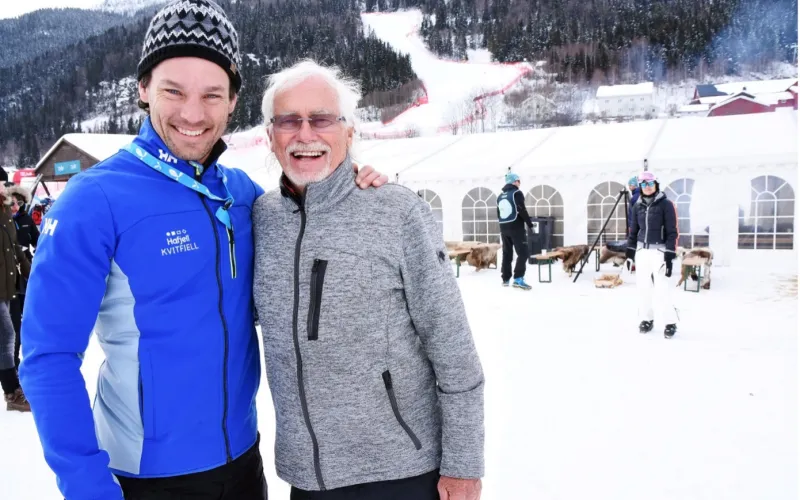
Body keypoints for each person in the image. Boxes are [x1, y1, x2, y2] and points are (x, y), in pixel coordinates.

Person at [19, 2, 385, 499]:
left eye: (212, 94)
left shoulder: (243, 194)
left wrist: (360, 184)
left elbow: (311, 230)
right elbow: (49, 357)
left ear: (233, 101)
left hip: (242, 466)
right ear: (144, 88)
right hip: (144, 478)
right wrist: (86, 485)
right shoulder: (95, 200)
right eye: (174, 91)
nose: (193, 114)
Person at [252, 59, 485, 500]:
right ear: (269, 135)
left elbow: (452, 347)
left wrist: (464, 464)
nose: (305, 135)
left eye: (322, 119)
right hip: (307, 478)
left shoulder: (396, 213)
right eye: (288, 121)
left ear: (349, 132)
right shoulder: (260, 219)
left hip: (401, 473)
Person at [625, 171, 679, 338]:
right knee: (643, 288)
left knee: (662, 289)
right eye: (643, 184)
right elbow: (633, 232)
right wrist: (630, 253)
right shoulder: (636, 206)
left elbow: (672, 232)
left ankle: (670, 322)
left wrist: (669, 255)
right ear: (639, 187)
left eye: (649, 184)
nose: (647, 187)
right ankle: (647, 319)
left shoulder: (666, 205)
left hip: (659, 251)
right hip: (642, 252)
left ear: (656, 184)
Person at [0, 184, 31, 411]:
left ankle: (14, 385)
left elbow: (14, 248)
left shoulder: (6, 212)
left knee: (10, 334)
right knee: (7, 336)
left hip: (8, 284)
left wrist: (29, 270)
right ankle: (12, 392)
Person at [7, 184, 38, 369]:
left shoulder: (27, 220)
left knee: (31, 319)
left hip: (27, 274)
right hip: (10, 277)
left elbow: (39, 241)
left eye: (18, 203)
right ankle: (14, 364)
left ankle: (31, 361)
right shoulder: (3, 222)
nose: (15, 207)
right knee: (13, 323)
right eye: (11, 203)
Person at [496, 172, 533, 290]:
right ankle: (518, 278)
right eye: (518, 181)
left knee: (507, 253)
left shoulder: (500, 196)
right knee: (523, 253)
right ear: (514, 182)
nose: (519, 183)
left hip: (504, 227)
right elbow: (521, 209)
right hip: (516, 227)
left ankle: (505, 279)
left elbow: (499, 214)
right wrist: (530, 224)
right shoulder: (517, 193)